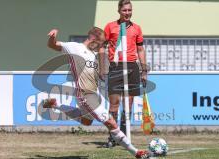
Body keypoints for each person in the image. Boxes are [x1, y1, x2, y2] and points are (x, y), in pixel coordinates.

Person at [43, 27, 150, 159]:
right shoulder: (74, 47)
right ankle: (136, 152)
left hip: (93, 94)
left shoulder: (93, 55)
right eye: (101, 43)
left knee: (87, 122)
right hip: (85, 94)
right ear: (93, 38)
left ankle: (57, 104)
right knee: (111, 122)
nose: (102, 46)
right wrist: (52, 37)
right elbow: (52, 45)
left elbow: (100, 74)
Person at [104, 0, 148, 147]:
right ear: (119, 11)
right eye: (124, 10)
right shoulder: (110, 27)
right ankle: (112, 137)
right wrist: (103, 67)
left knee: (128, 105)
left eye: (129, 10)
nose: (127, 13)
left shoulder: (137, 28)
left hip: (132, 68)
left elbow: (140, 50)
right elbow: (102, 48)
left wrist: (144, 70)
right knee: (113, 106)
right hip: (116, 67)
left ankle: (124, 135)